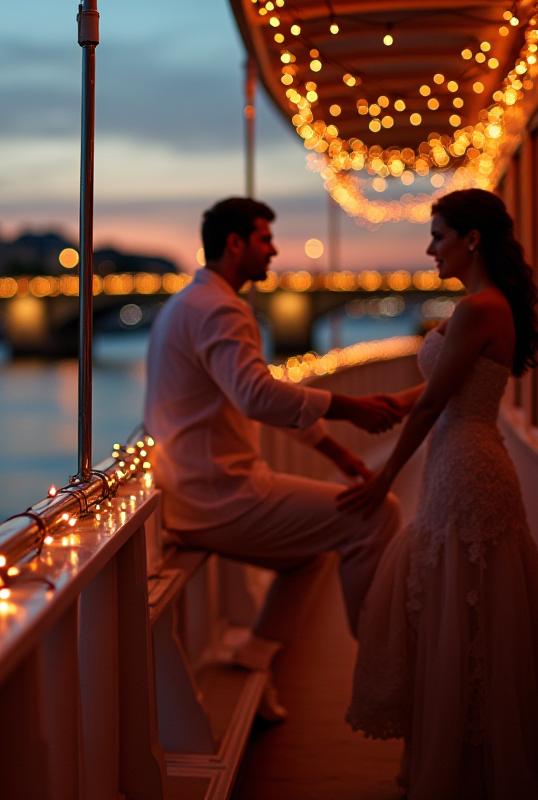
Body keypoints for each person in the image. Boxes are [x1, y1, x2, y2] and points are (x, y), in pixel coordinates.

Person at [339, 189, 538, 798]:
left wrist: (383, 477)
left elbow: (431, 404)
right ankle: (469, 755)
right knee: (465, 604)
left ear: (470, 238)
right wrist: (364, 408)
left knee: (458, 606)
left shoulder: (477, 309)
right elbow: (434, 391)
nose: (430, 248)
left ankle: (469, 768)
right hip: (467, 459)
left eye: (438, 234)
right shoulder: (483, 307)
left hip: (464, 465)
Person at [145, 197, 404, 720]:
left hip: (192, 489)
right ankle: (379, 654)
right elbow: (257, 397)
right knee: (377, 514)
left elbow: (246, 399)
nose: (274, 250)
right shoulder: (221, 308)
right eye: (265, 239)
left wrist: (332, 448)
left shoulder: (189, 303)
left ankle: (255, 655)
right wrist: (347, 408)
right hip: (220, 497)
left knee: (305, 555)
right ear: (235, 243)